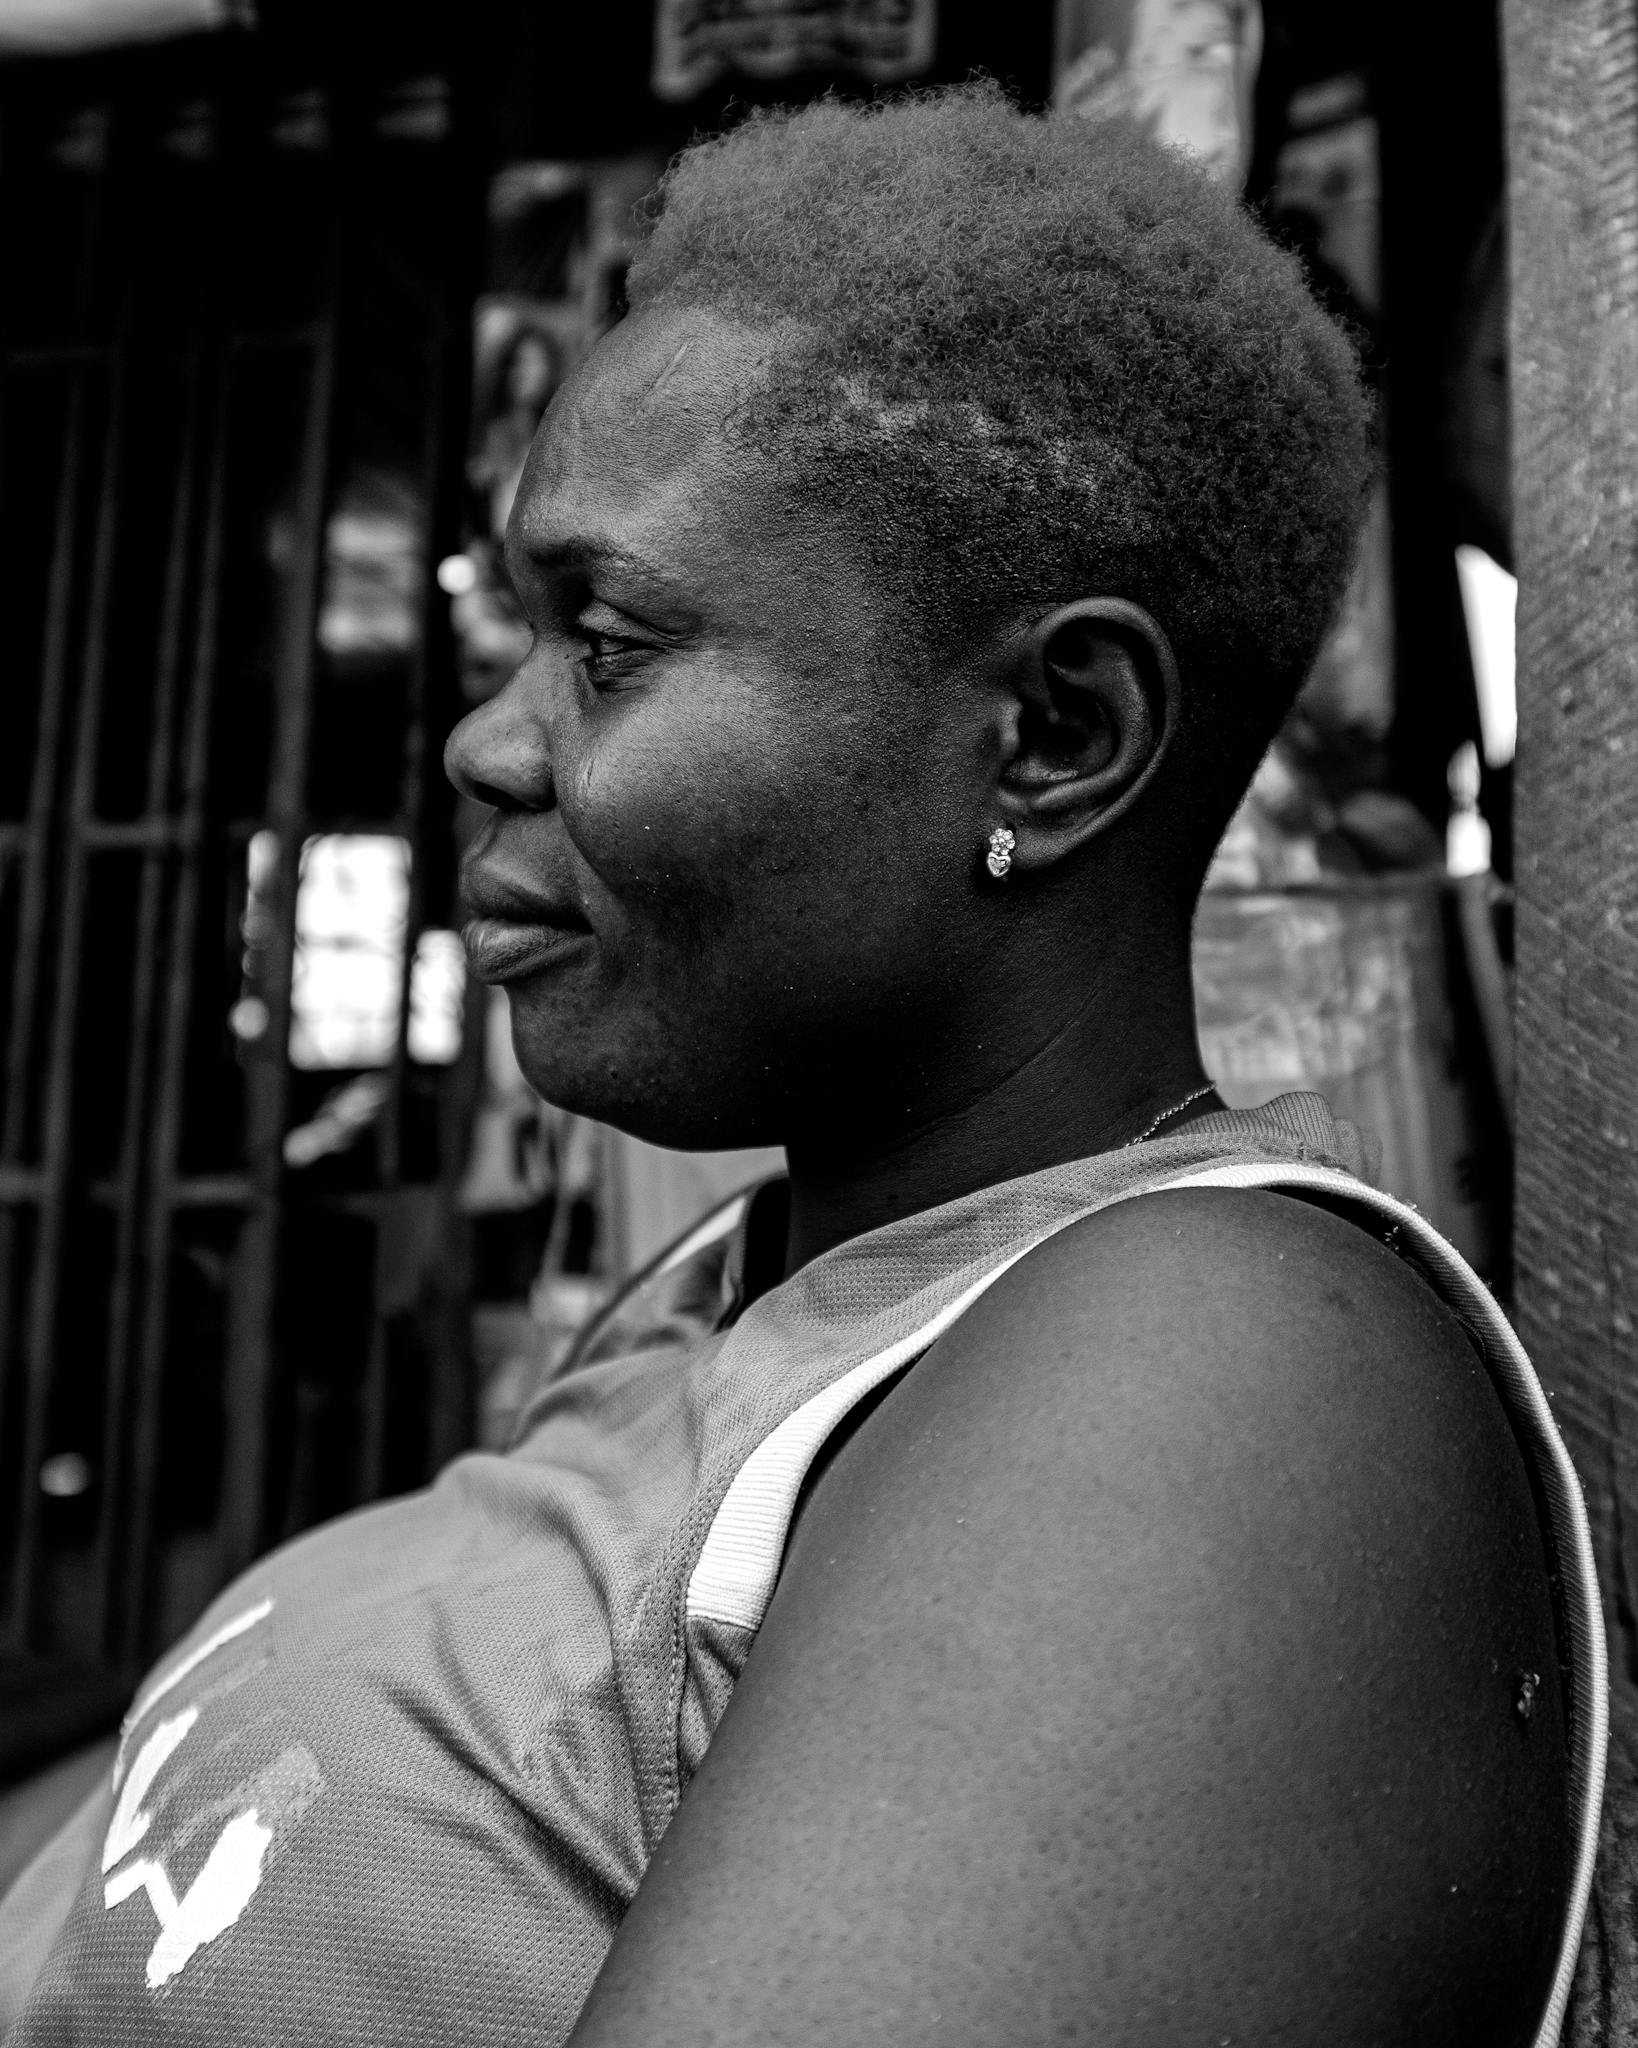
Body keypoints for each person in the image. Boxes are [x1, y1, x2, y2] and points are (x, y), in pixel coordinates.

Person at [1, 85, 1604, 2048]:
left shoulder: (1214, 1373)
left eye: (607, 642)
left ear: (1057, 735)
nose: (485, 742)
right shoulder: (740, 1301)